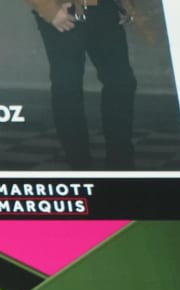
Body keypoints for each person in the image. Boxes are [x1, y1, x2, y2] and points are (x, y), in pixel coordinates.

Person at [27, 0, 145, 171]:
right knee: (68, 88)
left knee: (121, 82)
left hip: (104, 7)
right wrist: (48, 8)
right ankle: (79, 165)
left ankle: (120, 165)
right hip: (63, 8)